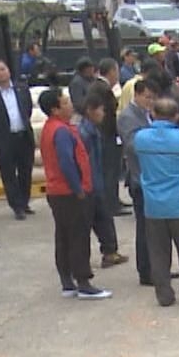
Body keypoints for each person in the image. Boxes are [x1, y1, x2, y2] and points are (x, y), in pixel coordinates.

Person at [132, 95, 179, 306]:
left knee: (158, 253)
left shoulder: (141, 138)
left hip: (153, 205)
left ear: (153, 114)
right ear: (176, 116)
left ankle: (164, 295)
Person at [40, 89, 111, 300]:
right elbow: (66, 162)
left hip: (57, 191)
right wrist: (79, 189)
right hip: (69, 192)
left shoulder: (52, 128)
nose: (71, 105)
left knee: (63, 236)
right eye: (66, 103)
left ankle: (67, 281)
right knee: (78, 237)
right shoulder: (61, 131)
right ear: (55, 109)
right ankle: (83, 282)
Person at [0, 58, 36, 220]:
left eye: (3, 69)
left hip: (23, 135)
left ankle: (24, 202)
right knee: (9, 173)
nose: (1, 73)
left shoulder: (21, 88)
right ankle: (16, 206)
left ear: (9, 70)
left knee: (26, 170)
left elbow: (28, 109)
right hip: (4, 138)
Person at [78, 95, 127, 270]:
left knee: (103, 219)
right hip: (93, 184)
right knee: (99, 219)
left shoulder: (92, 129)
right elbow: (88, 162)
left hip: (97, 181)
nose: (103, 113)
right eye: (100, 109)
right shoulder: (85, 133)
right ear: (90, 111)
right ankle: (106, 253)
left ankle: (109, 252)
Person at [118, 76, 159, 286]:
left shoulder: (148, 113)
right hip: (139, 177)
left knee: (157, 228)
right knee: (145, 228)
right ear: (137, 95)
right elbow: (133, 144)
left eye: (153, 98)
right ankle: (146, 271)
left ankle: (158, 267)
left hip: (154, 176)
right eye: (147, 97)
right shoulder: (128, 116)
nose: (150, 102)